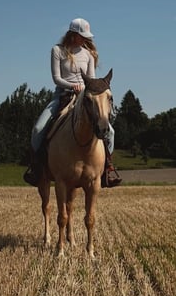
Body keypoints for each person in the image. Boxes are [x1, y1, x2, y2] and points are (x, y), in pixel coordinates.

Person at [23, 17, 122, 188]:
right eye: (82, 35)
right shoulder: (57, 51)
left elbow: (90, 80)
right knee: (38, 128)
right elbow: (56, 78)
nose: (85, 39)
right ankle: (36, 167)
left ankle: (107, 169)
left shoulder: (89, 55)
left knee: (110, 132)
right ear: (73, 34)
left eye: (86, 36)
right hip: (62, 95)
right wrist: (72, 85)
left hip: (85, 97)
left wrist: (86, 89)